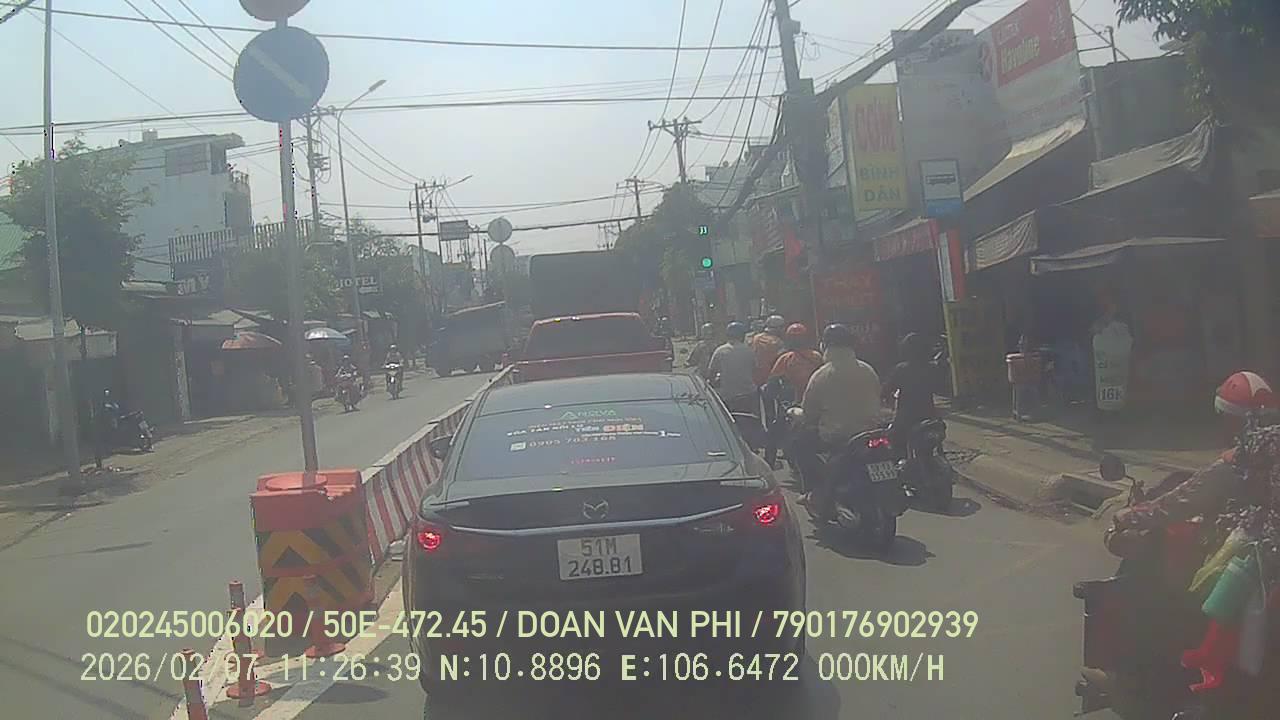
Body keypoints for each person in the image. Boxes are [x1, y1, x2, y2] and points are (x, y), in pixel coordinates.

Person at [793, 324, 883, 520]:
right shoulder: (868, 370)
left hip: (838, 437)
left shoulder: (821, 375)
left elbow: (809, 412)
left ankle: (813, 492)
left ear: (825, 345)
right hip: (871, 433)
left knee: (800, 443)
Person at [762, 323, 823, 468]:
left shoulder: (786, 359)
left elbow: (771, 383)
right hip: (816, 405)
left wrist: (771, 394)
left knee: (773, 432)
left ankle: (769, 463)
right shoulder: (816, 357)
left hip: (793, 405)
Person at [882, 333, 939, 446]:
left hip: (906, 418)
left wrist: (887, 398)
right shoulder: (933, 368)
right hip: (930, 416)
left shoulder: (901, 369)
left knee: (893, 443)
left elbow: (886, 390)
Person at [706, 322, 758, 414]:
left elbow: (711, 373)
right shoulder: (749, 350)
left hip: (727, 395)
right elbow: (755, 370)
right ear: (742, 336)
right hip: (748, 394)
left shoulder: (720, 350)